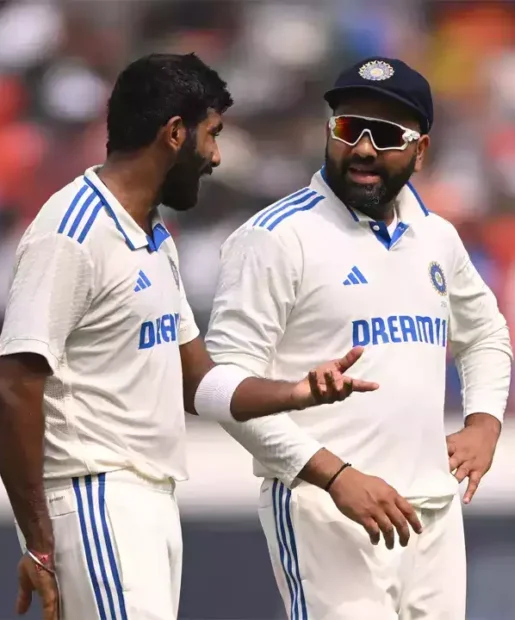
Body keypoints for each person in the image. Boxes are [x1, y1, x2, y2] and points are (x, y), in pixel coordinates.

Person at [0, 53, 377, 620]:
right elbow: (15, 384)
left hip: (149, 500)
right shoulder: (72, 232)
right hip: (95, 495)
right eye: (213, 134)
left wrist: (297, 392)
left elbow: (197, 383)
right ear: (175, 133)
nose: (216, 156)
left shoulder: (153, 234)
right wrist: (39, 543)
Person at [204, 56, 512, 620]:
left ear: (421, 150)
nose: (364, 149)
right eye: (349, 128)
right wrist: (336, 476)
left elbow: (486, 332)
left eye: (387, 135)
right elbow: (222, 387)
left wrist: (484, 421)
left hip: (432, 511)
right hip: (326, 510)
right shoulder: (276, 237)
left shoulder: (435, 236)